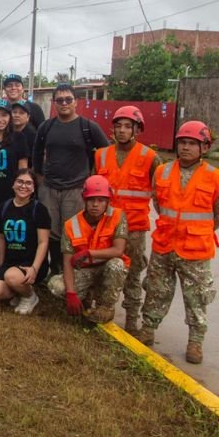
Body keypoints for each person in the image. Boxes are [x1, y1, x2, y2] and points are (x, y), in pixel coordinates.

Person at [139, 121, 219, 364]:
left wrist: (198, 231)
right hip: (164, 244)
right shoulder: (162, 172)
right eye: (182, 143)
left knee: (196, 297)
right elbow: (159, 204)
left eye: (192, 143)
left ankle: (195, 342)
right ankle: (148, 329)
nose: (186, 147)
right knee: (156, 290)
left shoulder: (217, 179)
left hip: (195, 250)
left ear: (204, 147)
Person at [93, 105, 159, 334]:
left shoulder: (150, 158)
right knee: (103, 269)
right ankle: (102, 309)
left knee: (132, 274)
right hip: (107, 226)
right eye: (118, 126)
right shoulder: (101, 155)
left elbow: (160, 193)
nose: (121, 130)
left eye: (127, 126)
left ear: (137, 130)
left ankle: (131, 319)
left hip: (134, 228)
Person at [32, 84, 108, 275]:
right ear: (54, 103)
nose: (64, 103)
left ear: (76, 102)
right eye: (59, 100)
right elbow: (37, 153)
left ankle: (75, 273)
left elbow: (105, 153)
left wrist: (95, 180)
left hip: (76, 189)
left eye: (68, 99)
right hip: (49, 188)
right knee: (51, 232)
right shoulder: (46, 127)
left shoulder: (88, 127)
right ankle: (56, 272)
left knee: (74, 232)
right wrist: (40, 178)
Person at [46, 175, 130, 324]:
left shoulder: (118, 216)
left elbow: (118, 250)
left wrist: (89, 253)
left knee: (117, 264)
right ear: (84, 200)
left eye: (101, 200)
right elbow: (67, 263)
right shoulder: (71, 225)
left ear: (108, 201)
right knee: (56, 286)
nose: (95, 205)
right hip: (85, 271)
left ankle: (106, 307)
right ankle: (85, 298)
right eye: (91, 200)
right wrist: (71, 293)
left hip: (107, 270)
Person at [0, 169, 51, 314]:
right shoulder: (3, 207)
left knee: (11, 276)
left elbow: (43, 242)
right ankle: (19, 292)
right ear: (13, 184)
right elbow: (1, 237)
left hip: (31, 262)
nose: (23, 186)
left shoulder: (39, 209)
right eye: (20, 182)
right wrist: (1, 265)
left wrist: (34, 268)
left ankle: (30, 297)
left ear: (34, 188)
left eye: (28, 183)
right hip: (11, 262)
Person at [10, 100, 37, 165]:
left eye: (21, 113)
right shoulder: (6, 131)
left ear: (28, 117)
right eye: (14, 112)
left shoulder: (33, 136)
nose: (17, 115)